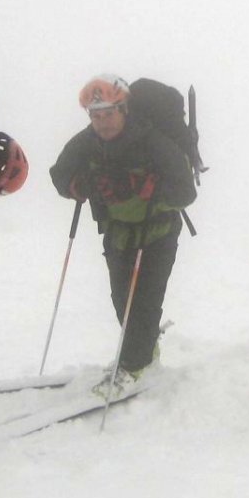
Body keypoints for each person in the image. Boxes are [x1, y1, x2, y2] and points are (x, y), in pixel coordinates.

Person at [49, 75, 197, 396]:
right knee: (122, 300)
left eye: (108, 114)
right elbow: (59, 174)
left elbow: (186, 191)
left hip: (157, 234)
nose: (102, 122)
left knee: (143, 301)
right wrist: (78, 186)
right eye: (95, 115)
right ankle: (143, 349)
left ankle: (135, 364)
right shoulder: (88, 141)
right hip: (117, 234)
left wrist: (151, 195)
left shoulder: (153, 140)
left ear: (124, 109)